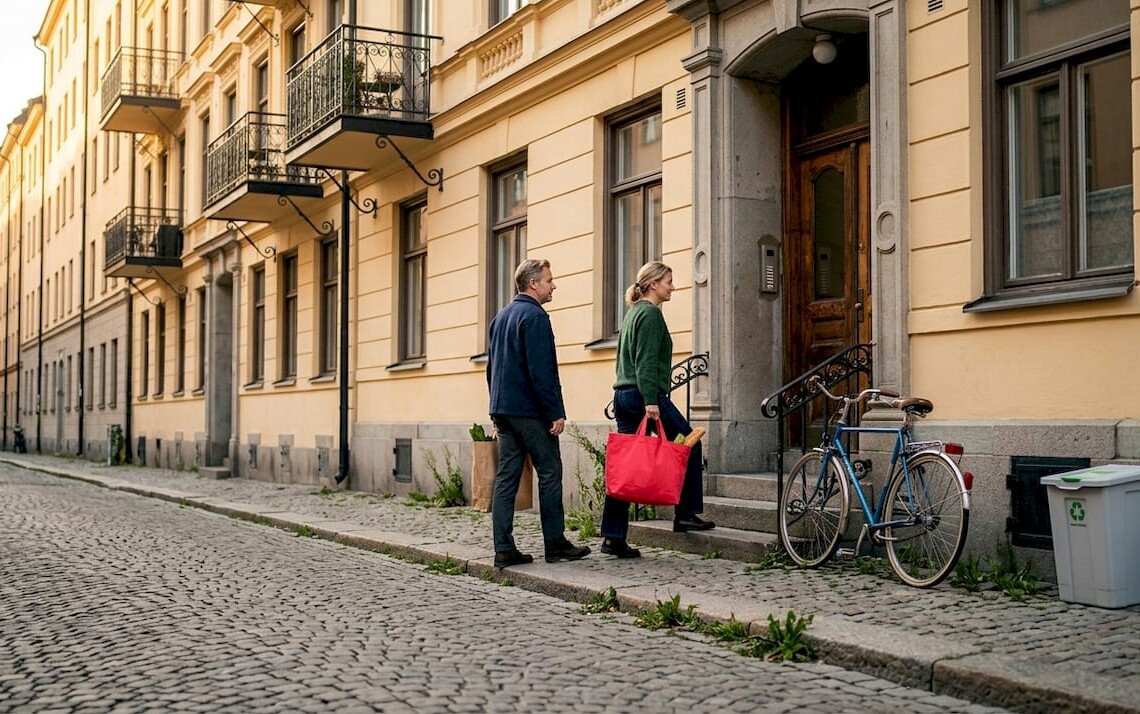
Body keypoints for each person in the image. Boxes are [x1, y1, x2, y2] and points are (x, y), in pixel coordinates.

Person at [601, 261, 715, 558]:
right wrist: (651, 400)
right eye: (668, 281)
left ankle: (613, 537)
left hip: (623, 395)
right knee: (689, 443)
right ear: (653, 284)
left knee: (626, 467)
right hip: (644, 395)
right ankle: (686, 513)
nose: (672, 286)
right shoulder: (650, 314)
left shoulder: (633, 313)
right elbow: (646, 361)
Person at [486, 259, 591, 567]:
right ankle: (555, 543)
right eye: (549, 280)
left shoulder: (501, 317)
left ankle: (503, 548)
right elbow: (542, 371)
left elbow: (492, 368)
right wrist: (555, 413)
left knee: (506, 477)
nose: (553, 285)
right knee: (549, 471)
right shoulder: (535, 317)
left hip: (503, 409)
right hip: (530, 410)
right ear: (533, 284)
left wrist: (494, 410)